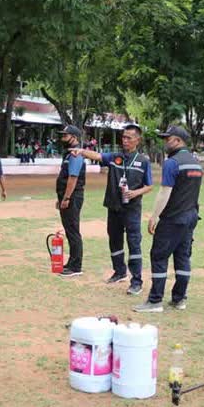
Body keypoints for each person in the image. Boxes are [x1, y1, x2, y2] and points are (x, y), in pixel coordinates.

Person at [71, 124, 153, 295]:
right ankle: (119, 271)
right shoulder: (116, 157)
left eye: (129, 138)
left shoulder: (143, 161)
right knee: (114, 240)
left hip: (132, 209)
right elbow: (98, 156)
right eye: (123, 137)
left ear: (137, 140)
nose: (125, 140)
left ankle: (136, 281)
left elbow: (149, 186)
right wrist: (81, 151)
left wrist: (135, 193)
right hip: (114, 206)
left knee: (134, 243)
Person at [133, 126, 203, 313]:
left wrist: (154, 217)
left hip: (173, 218)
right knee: (183, 257)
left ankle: (155, 300)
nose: (165, 142)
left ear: (178, 141)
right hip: (190, 217)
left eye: (168, 139)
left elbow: (165, 192)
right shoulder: (196, 163)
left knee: (159, 256)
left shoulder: (172, 163)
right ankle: (179, 299)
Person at [56, 125, 86, 277]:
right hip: (67, 196)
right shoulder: (68, 155)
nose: (62, 138)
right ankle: (72, 262)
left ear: (74, 137)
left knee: (73, 230)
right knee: (69, 230)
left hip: (72, 197)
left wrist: (66, 198)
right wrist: (61, 198)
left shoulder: (75, 155)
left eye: (65, 136)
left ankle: (76, 266)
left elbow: (73, 179)